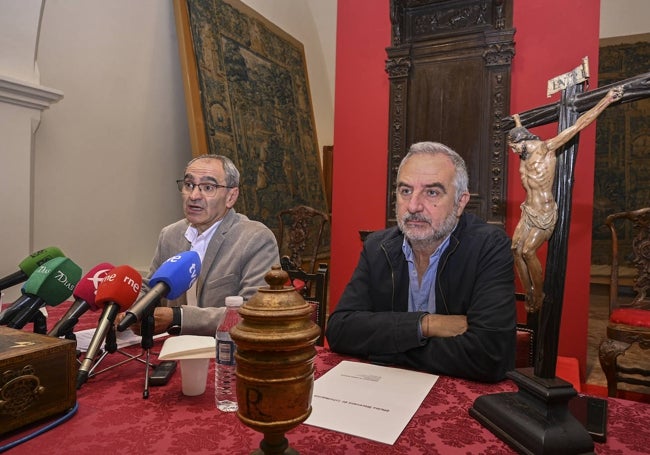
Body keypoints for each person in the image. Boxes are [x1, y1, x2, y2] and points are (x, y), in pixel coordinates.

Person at [325, 142, 516, 382]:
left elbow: (490, 355)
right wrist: (427, 324)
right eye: (405, 191)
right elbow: (340, 330)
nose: (413, 206)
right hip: (388, 391)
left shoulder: (489, 247)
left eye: (431, 192)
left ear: (460, 202)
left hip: (455, 396)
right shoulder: (378, 246)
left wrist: (386, 346)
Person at [119, 154, 279, 337]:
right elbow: (150, 288)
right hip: (174, 348)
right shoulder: (170, 235)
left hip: (227, 352)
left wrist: (178, 318)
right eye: (189, 185)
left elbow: (253, 312)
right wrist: (131, 309)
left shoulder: (255, 239)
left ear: (231, 197)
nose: (194, 196)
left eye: (208, 187)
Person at [509, 86, 623, 313]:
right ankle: (529, 290)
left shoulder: (545, 148)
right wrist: (518, 122)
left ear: (522, 142)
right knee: (514, 248)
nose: (512, 151)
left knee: (528, 252)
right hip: (528, 210)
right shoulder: (524, 152)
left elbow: (579, 124)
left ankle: (539, 294)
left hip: (544, 213)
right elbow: (521, 132)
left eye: (513, 146)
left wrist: (606, 100)